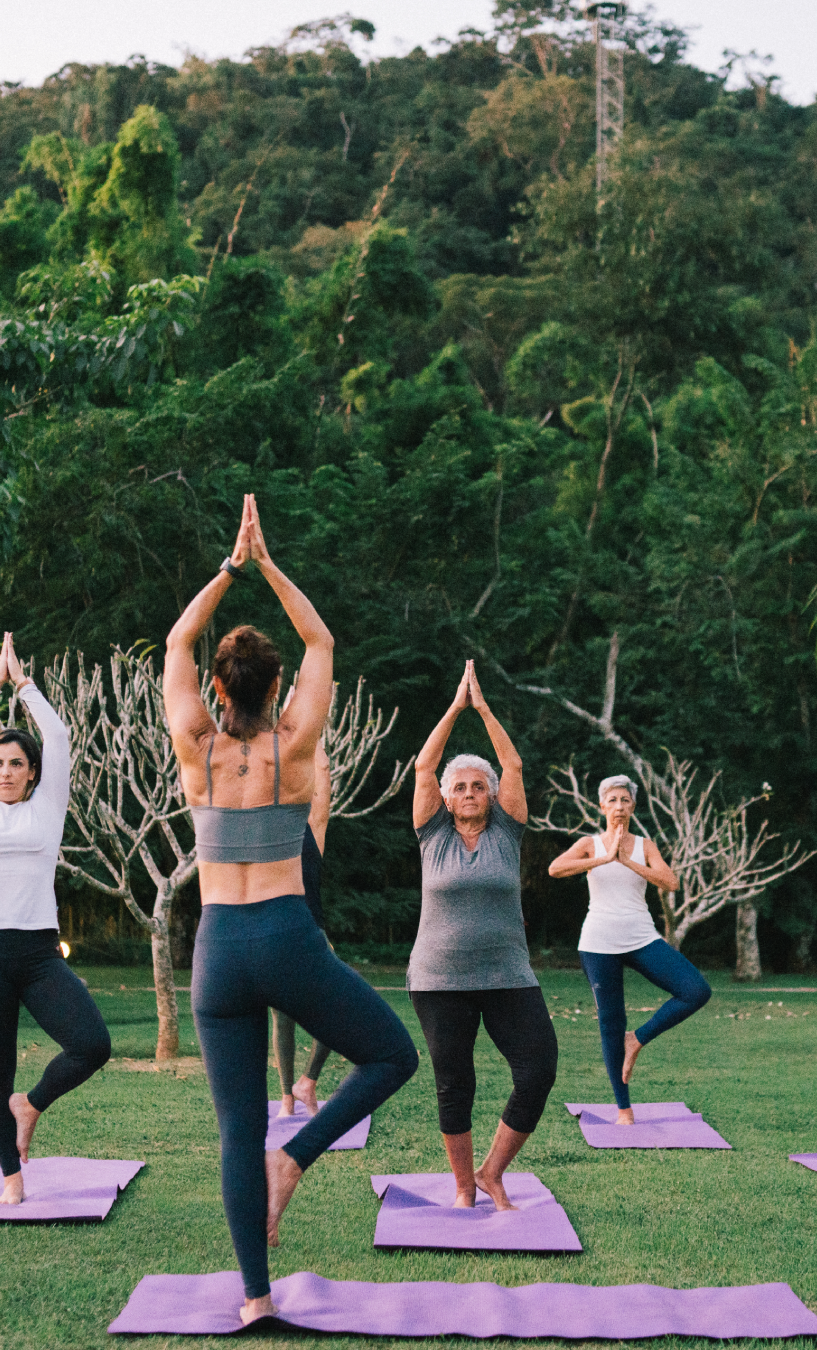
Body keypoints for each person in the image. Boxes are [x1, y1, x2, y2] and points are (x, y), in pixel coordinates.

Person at [164, 494, 417, 1327]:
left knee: (238, 1129)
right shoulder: (293, 744)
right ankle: (298, 1158)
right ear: (276, 686)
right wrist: (265, 564)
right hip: (283, 933)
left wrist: (225, 571)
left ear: (213, 688)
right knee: (389, 1055)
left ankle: (254, 1299)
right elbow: (321, 639)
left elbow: (175, 640)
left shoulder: (195, 748)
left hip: (216, 949)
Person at [0, 632, 111, 1205]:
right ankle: (11, 1180)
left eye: (18, 763)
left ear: (34, 773)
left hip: (40, 956)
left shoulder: (48, 806)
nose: (7, 771)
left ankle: (32, 1103)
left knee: (92, 1045)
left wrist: (25, 686)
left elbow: (60, 734)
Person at [408, 659, 557, 1212]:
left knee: (538, 1069)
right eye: (460, 787)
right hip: (438, 978)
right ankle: (464, 1188)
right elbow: (425, 767)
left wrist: (484, 708)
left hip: (507, 976)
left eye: (479, 786)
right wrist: (454, 708)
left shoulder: (507, 833)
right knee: (454, 1083)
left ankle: (494, 1171)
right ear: (447, 798)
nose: (470, 792)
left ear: (492, 796)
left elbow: (512, 762)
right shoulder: (432, 835)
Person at [548, 774, 710, 1123]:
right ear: (602, 806)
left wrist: (625, 859)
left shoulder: (645, 845)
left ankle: (636, 1039)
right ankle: (624, 1109)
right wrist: (604, 858)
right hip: (598, 942)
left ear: (633, 806)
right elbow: (555, 869)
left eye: (625, 800)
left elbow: (671, 882)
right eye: (613, 800)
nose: (619, 806)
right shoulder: (590, 843)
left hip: (642, 938)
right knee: (610, 1021)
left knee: (695, 990)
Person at [274, 738, 334, 1117]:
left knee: (335, 1011)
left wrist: (312, 732)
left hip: (310, 933)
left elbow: (323, 776)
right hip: (279, 932)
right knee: (283, 1019)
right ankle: (287, 1098)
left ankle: (305, 1083)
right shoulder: (265, 837)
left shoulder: (313, 828)